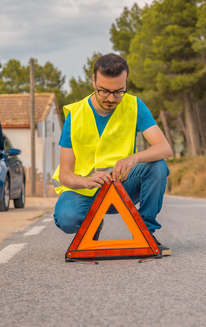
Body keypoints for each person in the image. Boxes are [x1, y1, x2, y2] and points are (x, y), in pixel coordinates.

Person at [52, 53, 173, 255]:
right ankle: (93, 223)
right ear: (93, 81)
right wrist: (87, 180)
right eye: (104, 91)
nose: (111, 99)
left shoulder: (135, 106)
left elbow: (164, 148)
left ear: (126, 82)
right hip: (86, 189)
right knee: (66, 219)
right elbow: (65, 174)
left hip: (122, 185)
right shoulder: (75, 114)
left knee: (158, 165)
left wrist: (134, 158)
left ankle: (146, 232)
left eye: (118, 92)